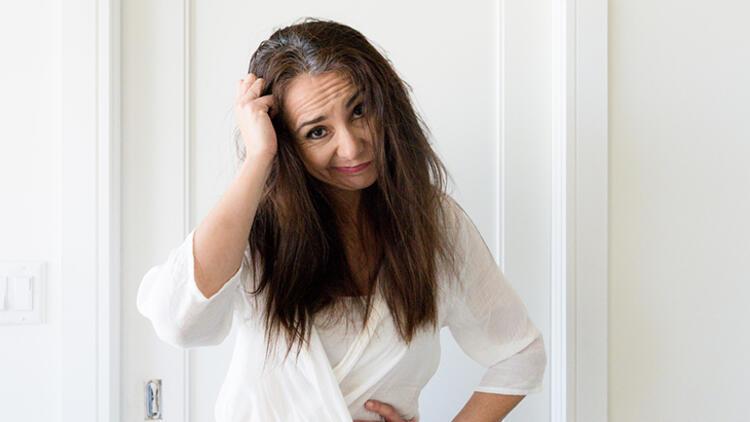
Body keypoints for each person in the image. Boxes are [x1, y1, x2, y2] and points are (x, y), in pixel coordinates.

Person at [136, 17, 546, 422]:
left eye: (360, 110)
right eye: (317, 132)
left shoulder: (434, 223)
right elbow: (179, 323)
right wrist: (258, 157)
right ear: (287, 142)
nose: (351, 148)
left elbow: (520, 354)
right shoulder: (256, 228)